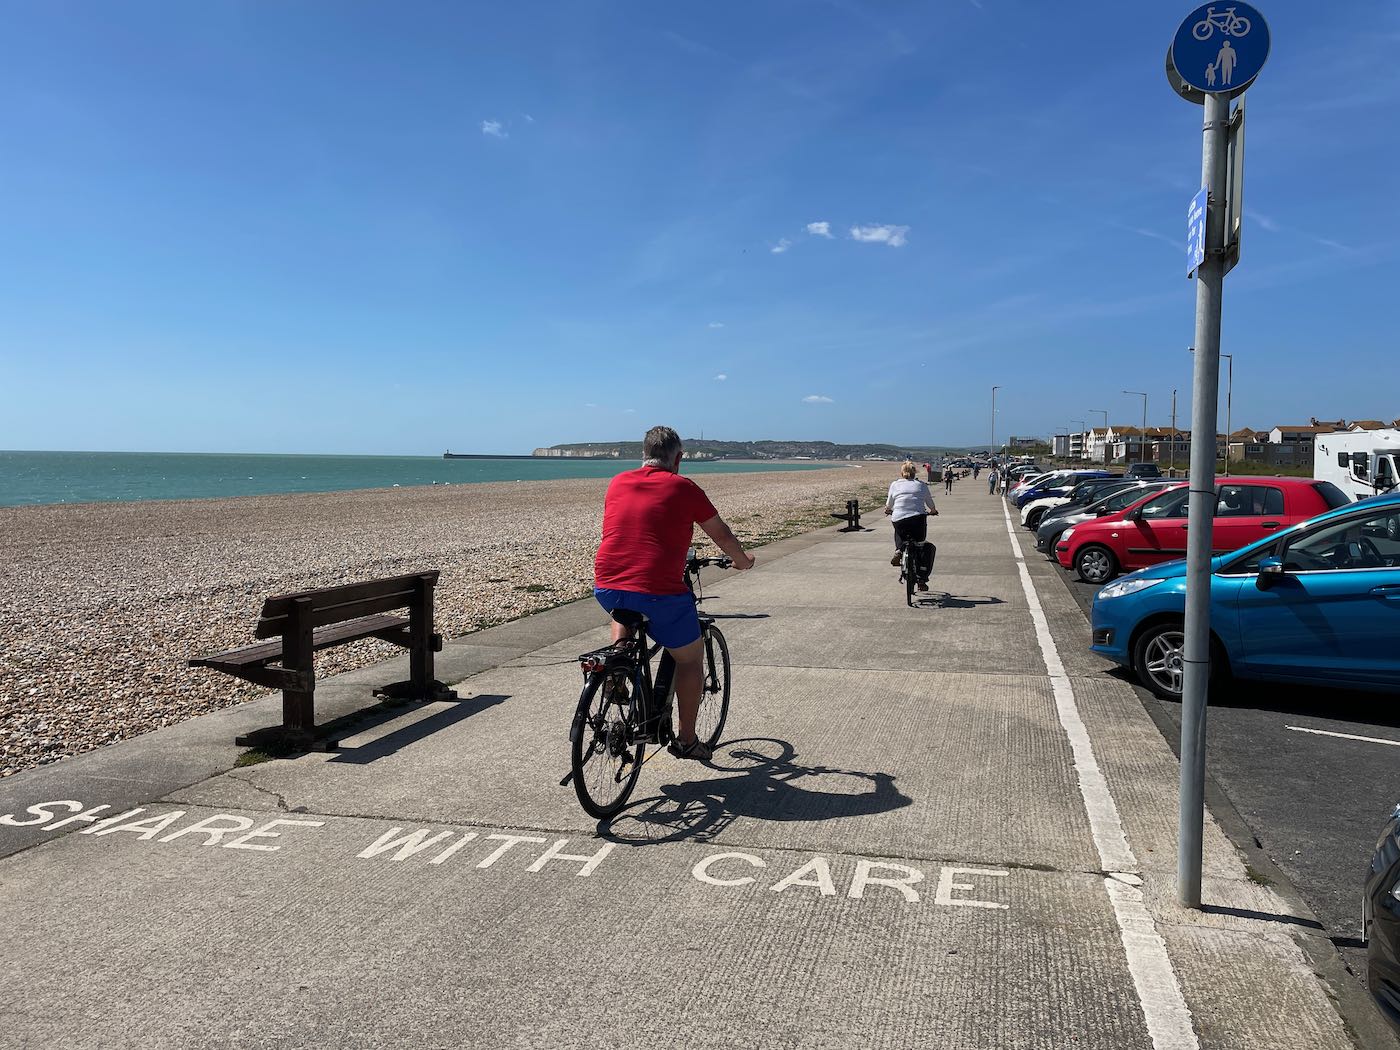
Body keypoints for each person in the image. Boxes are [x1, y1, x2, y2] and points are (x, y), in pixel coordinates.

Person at [593, 426, 754, 762]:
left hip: (608, 584)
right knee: (690, 659)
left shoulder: (618, 481)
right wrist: (742, 560)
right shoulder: (683, 487)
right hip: (659, 592)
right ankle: (686, 740)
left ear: (643, 454)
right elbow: (720, 533)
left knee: (624, 609)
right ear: (678, 459)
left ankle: (618, 665)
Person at [884, 460, 938, 591]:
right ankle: (921, 580)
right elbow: (930, 503)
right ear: (915, 473)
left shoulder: (895, 484)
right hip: (918, 519)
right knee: (921, 545)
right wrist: (933, 511)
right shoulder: (921, 485)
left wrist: (888, 510)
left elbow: (889, 503)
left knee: (898, 529)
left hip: (899, 519)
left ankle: (898, 550)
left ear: (902, 473)